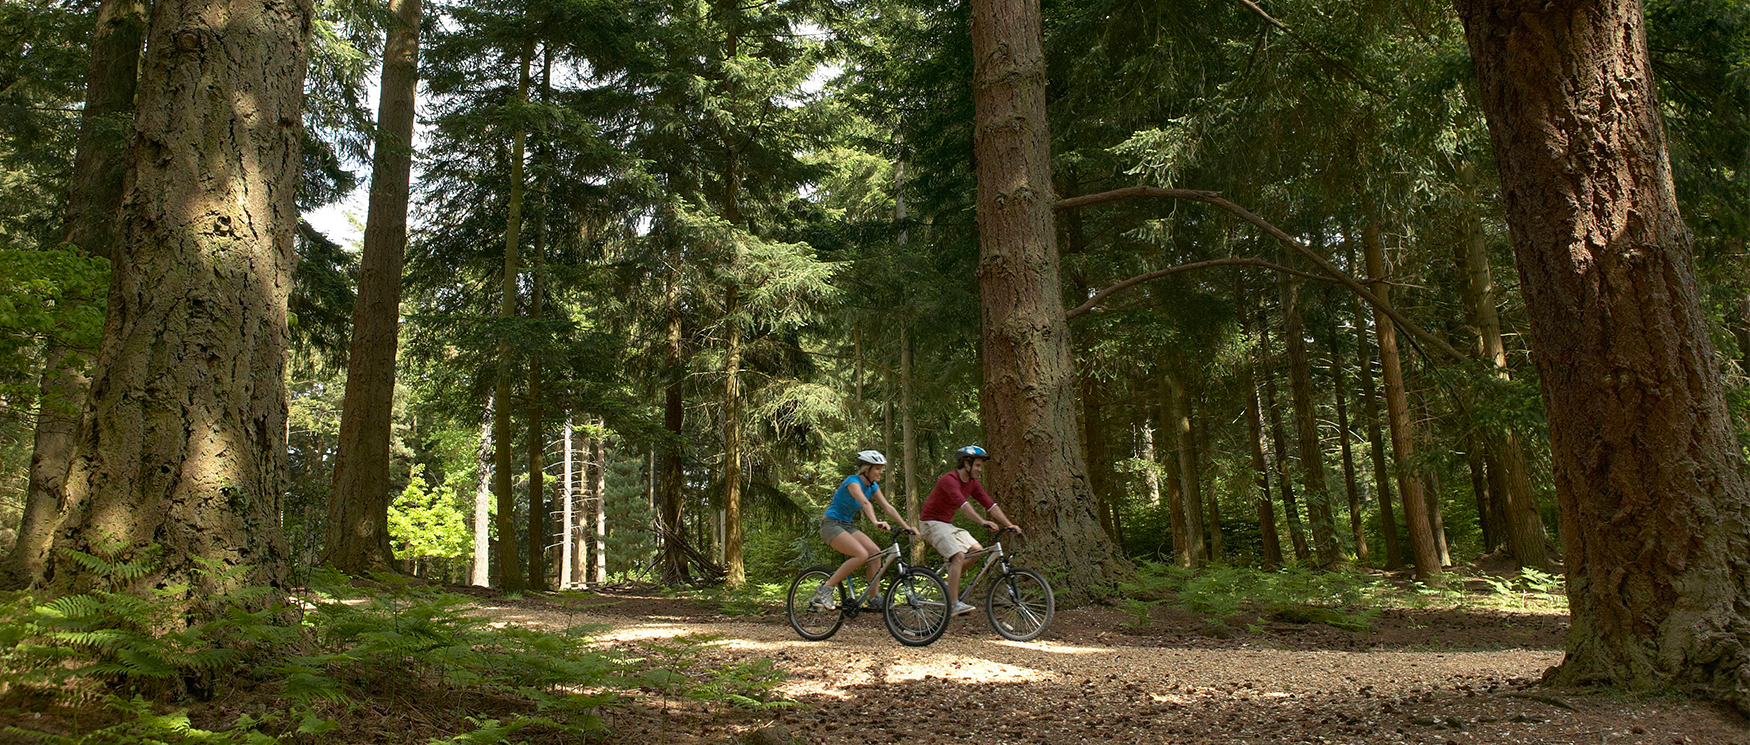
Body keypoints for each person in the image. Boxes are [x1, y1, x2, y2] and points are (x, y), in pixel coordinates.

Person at [919, 445, 1021, 616]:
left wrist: (1009, 524)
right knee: (958, 555)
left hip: (946, 524)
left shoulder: (972, 483)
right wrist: (982, 521)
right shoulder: (949, 479)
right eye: (978, 465)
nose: (980, 470)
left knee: (977, 550)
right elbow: (964, 506)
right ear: (966, 464)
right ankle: (953, 604)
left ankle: (947, 582)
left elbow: (990, 505)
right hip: (931, 523)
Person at [813, 450, 914, 610]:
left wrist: (907, 527)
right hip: (831, 525)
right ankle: (826, 587)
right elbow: (865, 503)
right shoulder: (852, 482)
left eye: (881, 468)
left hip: (846, 525)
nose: (881, 472)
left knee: (875, 553)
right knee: (861, 554)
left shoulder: (872, 486)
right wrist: (875, 521)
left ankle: (874, 598)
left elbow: (888, 507)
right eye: (877, 468)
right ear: (866, 469)